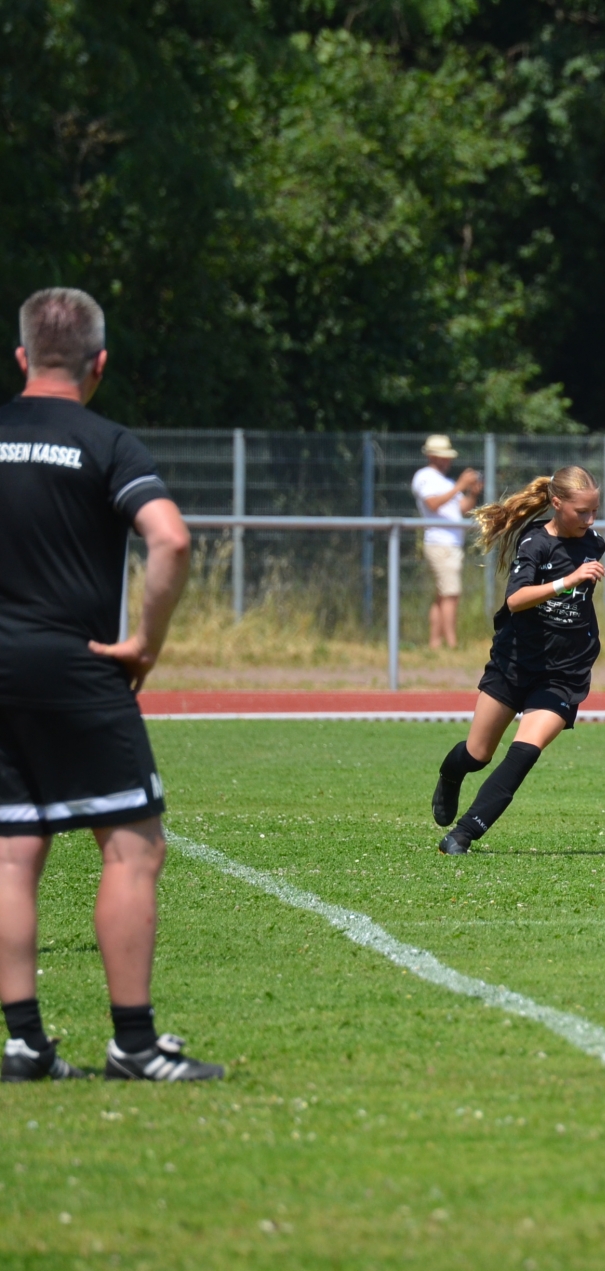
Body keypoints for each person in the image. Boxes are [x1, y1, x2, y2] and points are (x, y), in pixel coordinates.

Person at [0, 287, 222, 1081]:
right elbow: (171, 540)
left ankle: (25, 1044)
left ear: (21, 357)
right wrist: (145, 645)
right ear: (99, 363)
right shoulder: (106, 442)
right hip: (77, 664)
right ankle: (133, 1043)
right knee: (133, 846)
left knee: (11, 853)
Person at [432, 467, 605, 856]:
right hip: (515, 661)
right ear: (557, 503)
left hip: (564, 672)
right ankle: (451, 773)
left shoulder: (594, 544)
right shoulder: (535, 543)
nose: (591, 519)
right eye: (582, 511)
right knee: (477, 754)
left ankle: (462, 835)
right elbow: (515, 600)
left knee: (525, 751)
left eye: (595, 510)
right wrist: (567, 581)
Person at [412, 435, 483, 650]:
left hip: (450, 544)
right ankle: (452, 644)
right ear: (432, 456)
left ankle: (435, 643)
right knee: (451, 594)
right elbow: (433, 504)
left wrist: (472, 493)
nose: (448, 460)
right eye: (443, 456)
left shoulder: (446, 482)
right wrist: (460, 485)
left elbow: (462, 508)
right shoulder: (425, 477)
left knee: (442, 596)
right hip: (439, 543)